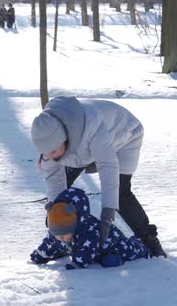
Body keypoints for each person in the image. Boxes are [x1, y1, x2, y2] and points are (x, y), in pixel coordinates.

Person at [31, 96, 166, 258]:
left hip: (126, 135)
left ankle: (149, 240)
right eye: (47, 153)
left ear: (64, 139)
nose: (50, 157)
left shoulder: (92, 127)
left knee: (120, 194)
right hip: (82, 148)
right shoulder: (50, 141)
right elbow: (53, 177)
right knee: (62, 198)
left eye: (53, 152)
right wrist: (55, 213)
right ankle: (68, 240)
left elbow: (108, 167)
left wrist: (107, 213)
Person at [30, 188, 148, 269]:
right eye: (57, 235)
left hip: (113, 244)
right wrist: (39, 256)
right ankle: (105, 259)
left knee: (128, 250)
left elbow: (87, 251)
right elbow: (48, 243)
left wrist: (76, 264)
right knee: (107, 261)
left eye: (65, 234)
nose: (61, 238)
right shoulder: (57, 233)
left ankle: (140, 245)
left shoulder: (89, 231)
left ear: (75, 226)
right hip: (96, 253)